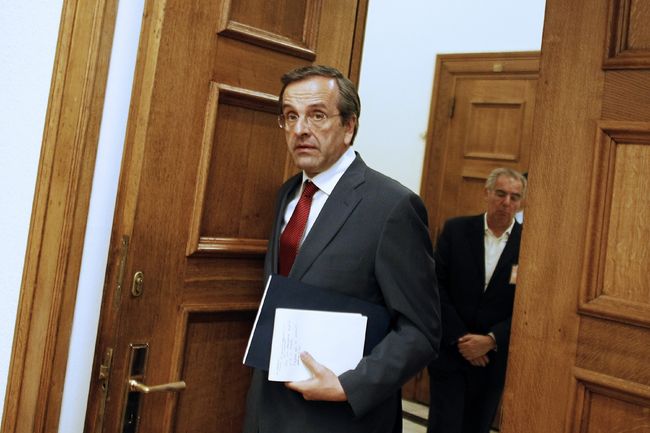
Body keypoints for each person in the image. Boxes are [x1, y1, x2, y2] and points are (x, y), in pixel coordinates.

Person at [243, 65, 441, 433]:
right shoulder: (288, 194)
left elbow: (421, 331)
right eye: (290, 116)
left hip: (341, 418)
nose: (300, 129)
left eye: (317, 115)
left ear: (349, 126)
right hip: (268, 409)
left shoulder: (392, 207)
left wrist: (350, 386)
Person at [427, 167, 527, 433]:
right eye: (501, 194)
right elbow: (435, 287)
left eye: (515, 197)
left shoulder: (530, 244)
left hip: (492, 361)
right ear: (487, 193)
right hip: (450, 352)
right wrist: (462, 339)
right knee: (443, 427)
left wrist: (491, 340)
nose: (506, 203)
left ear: (521, 203)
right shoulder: (456, 230)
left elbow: (529, 307)